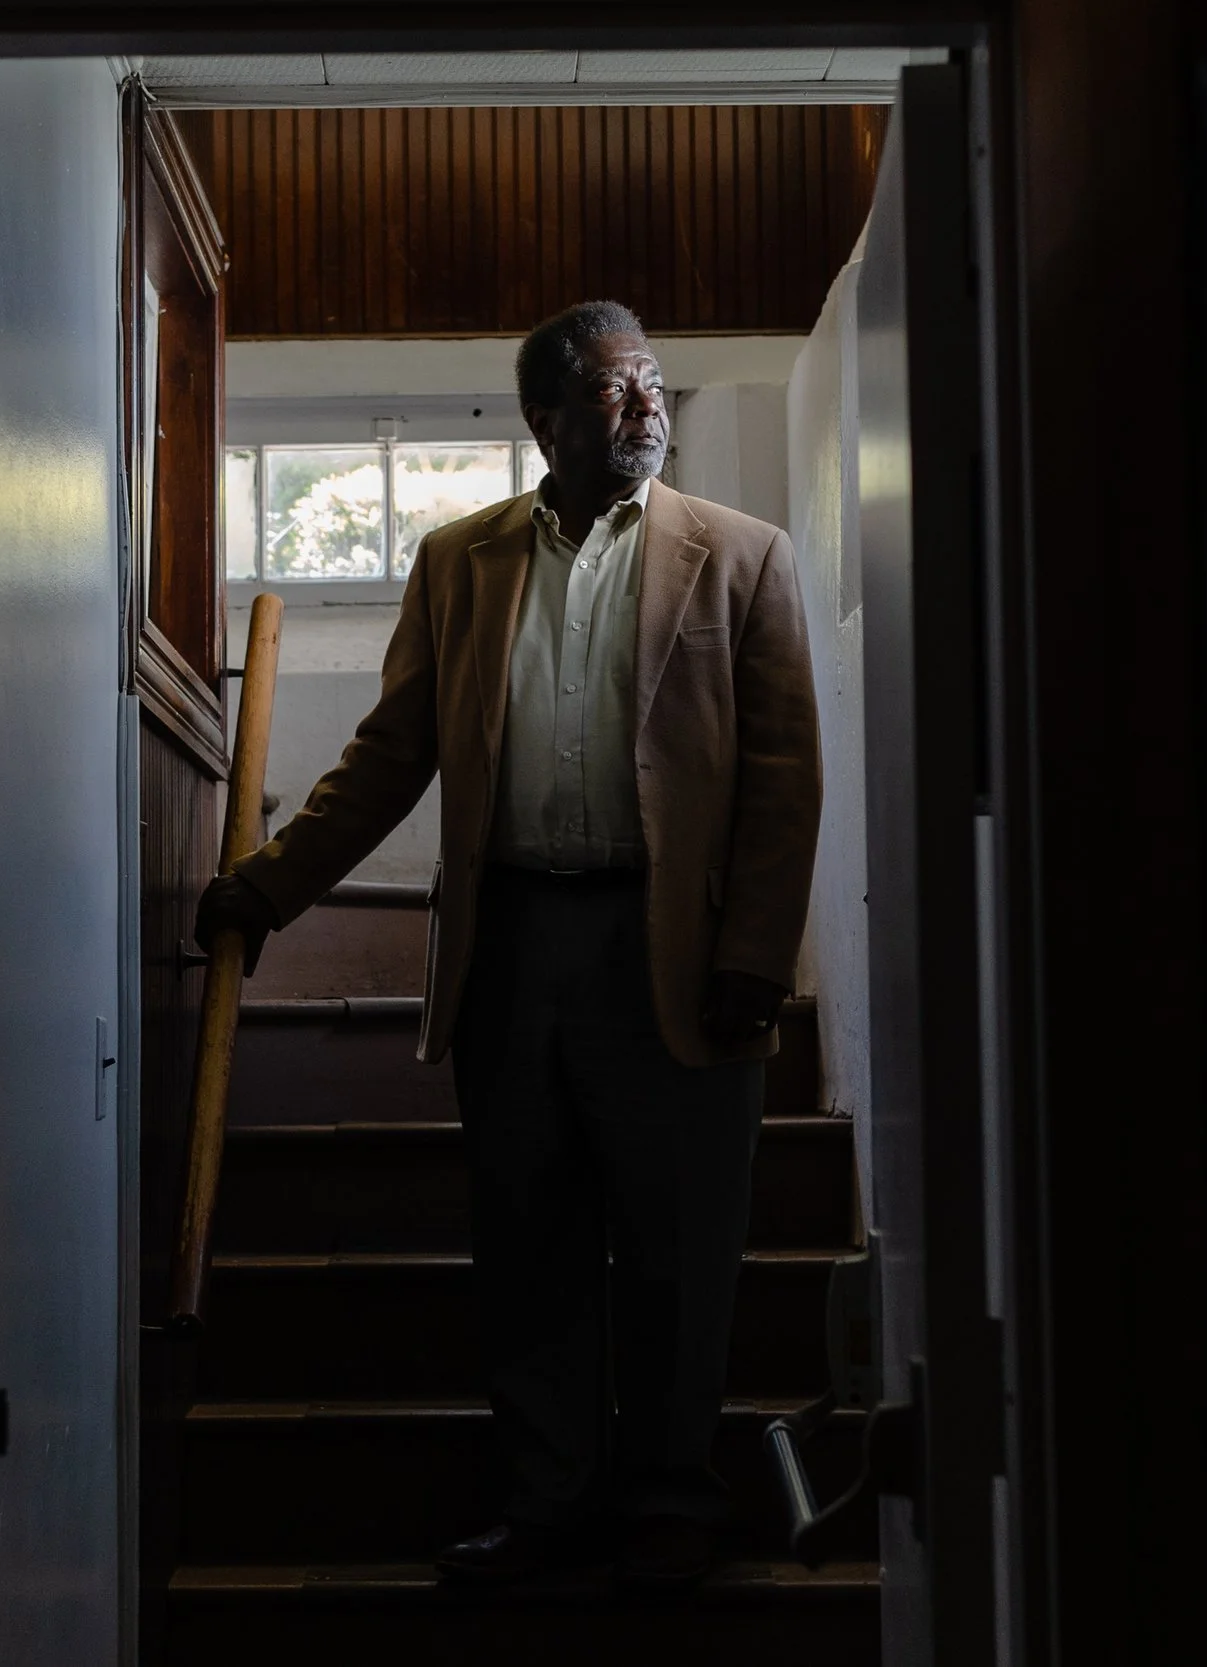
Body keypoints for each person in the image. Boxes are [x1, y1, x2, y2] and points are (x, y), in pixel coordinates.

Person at [195, 300, 821, 1587]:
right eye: (609, 389)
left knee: (680, 1245)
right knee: (528, 1239)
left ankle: (667, 1502)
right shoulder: (457, 561)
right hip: (515, 948)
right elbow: (389, 756)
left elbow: (783, 772)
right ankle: (546, 1501)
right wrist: (267, 889)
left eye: (651, 382)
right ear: (544, 420)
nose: (644, 405)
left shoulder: (744, 554)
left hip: (681, 950)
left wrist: (757, 950)